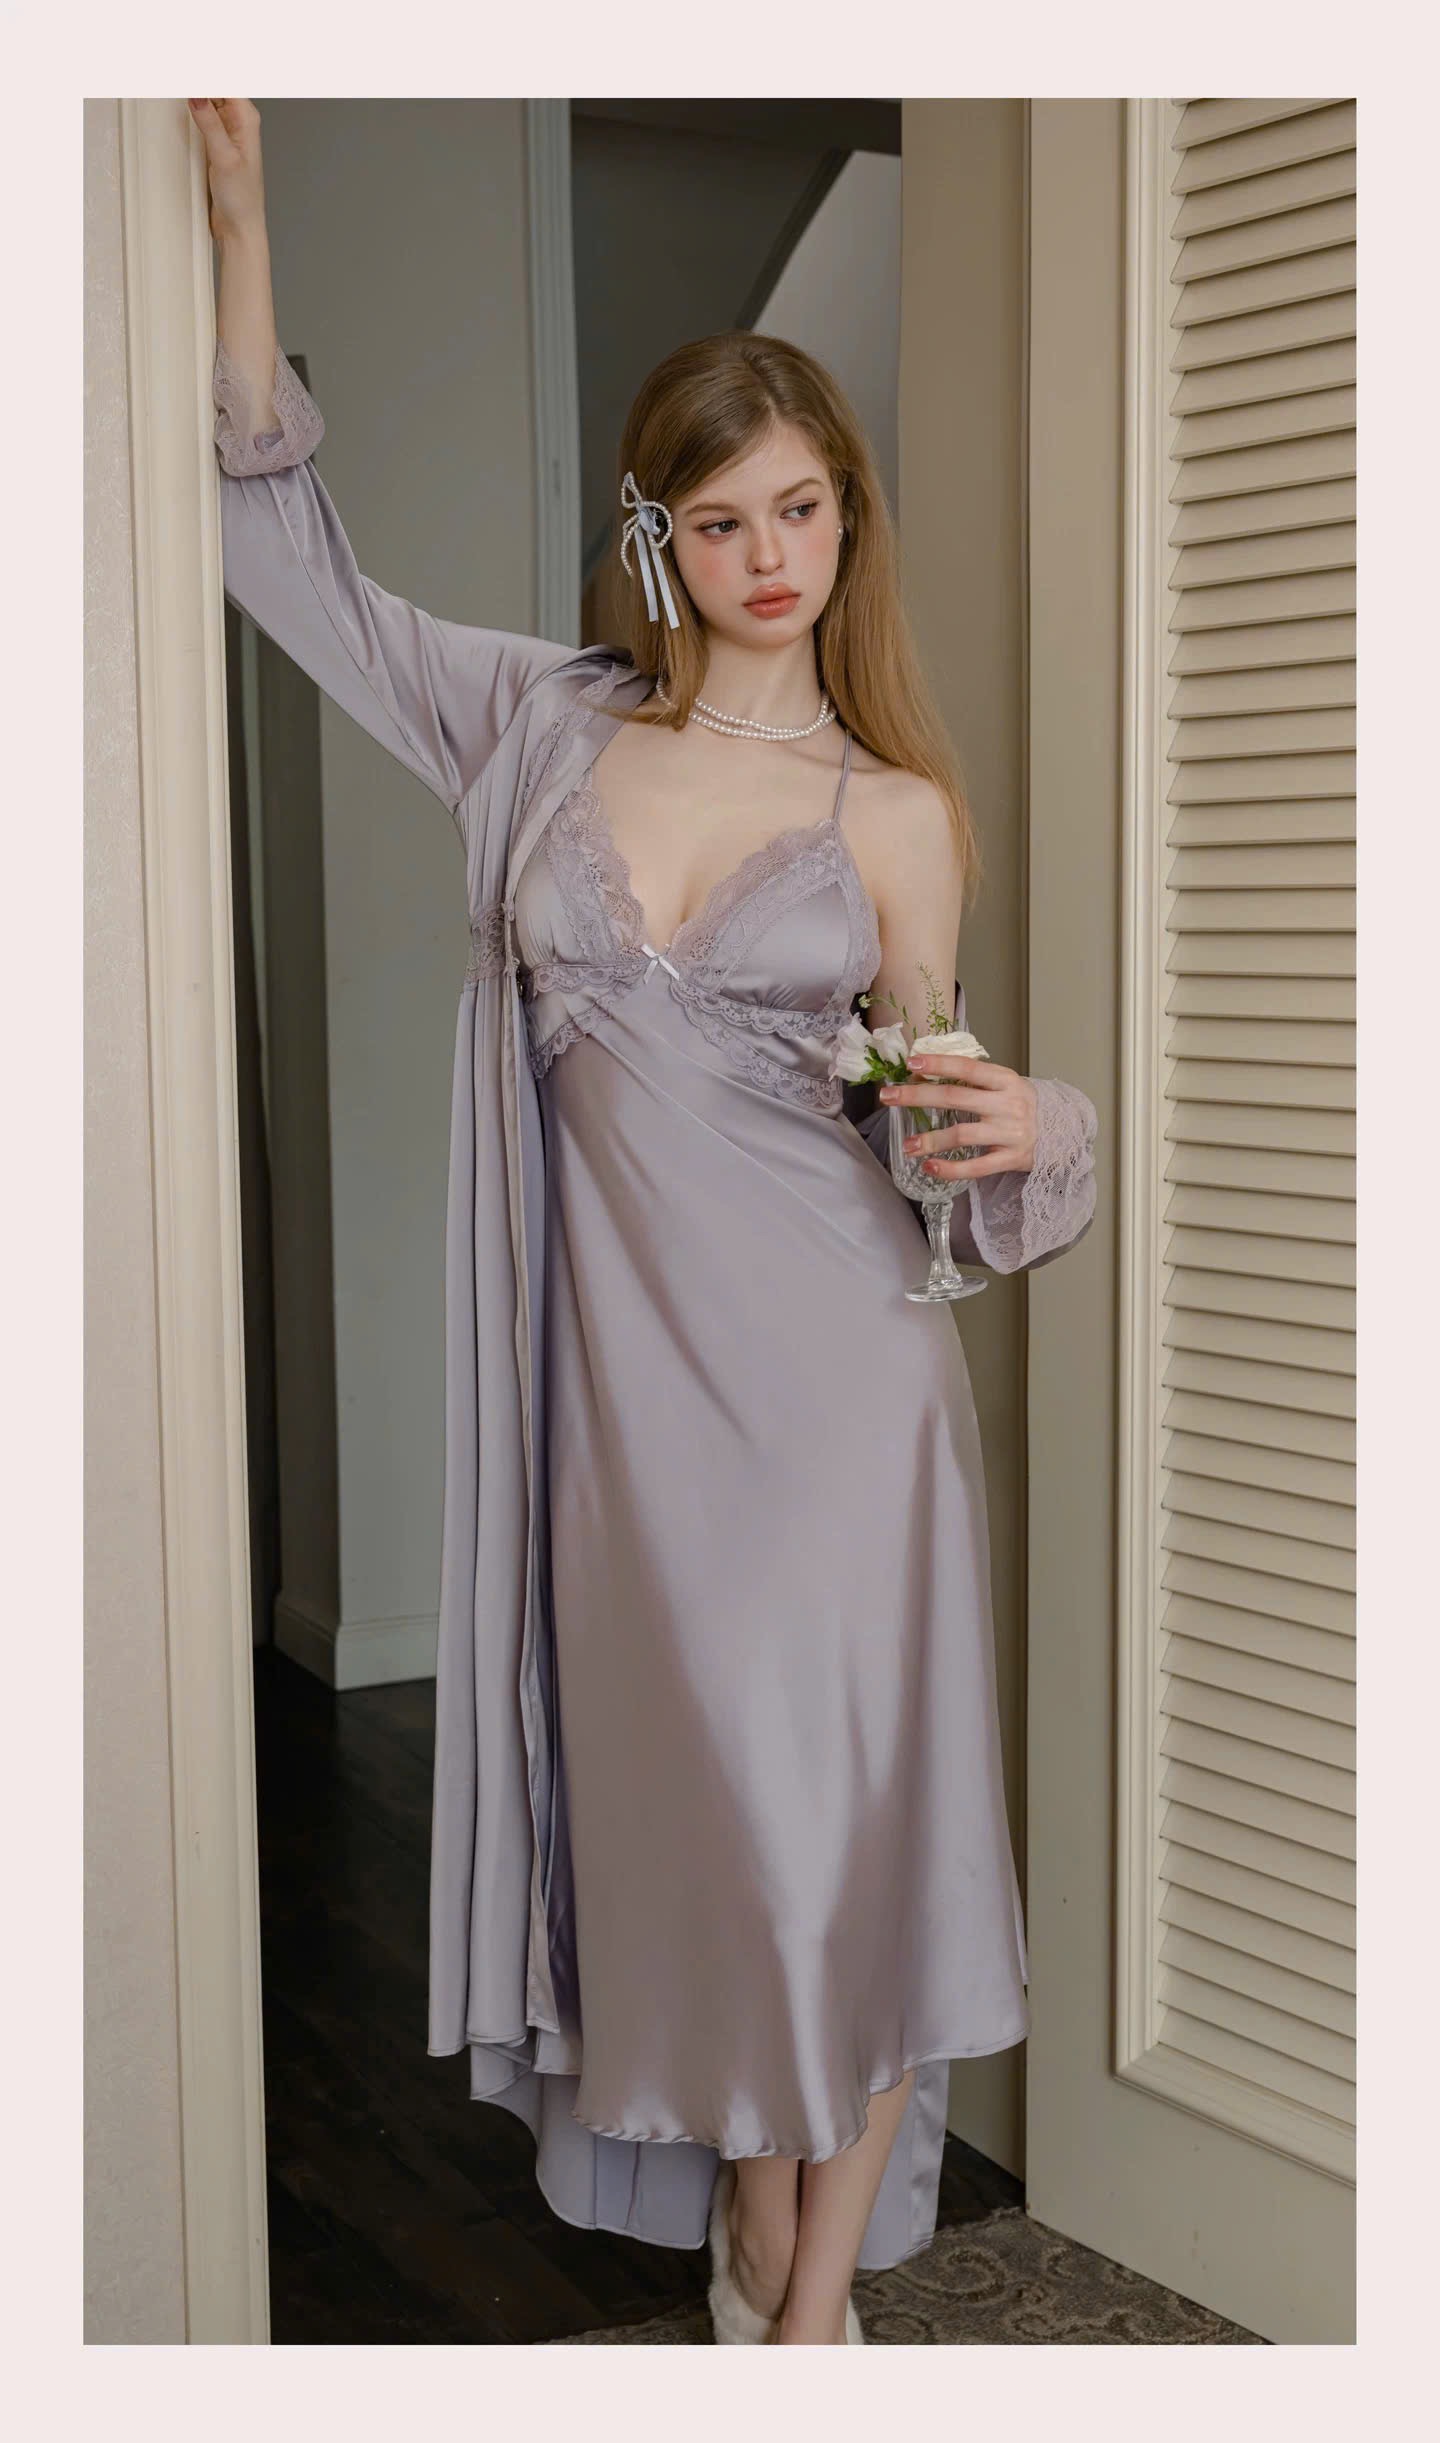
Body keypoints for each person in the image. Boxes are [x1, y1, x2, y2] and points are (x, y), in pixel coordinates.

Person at [189, 95, 1098, 2347]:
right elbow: (283, 558)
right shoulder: (538, 728)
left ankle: (805, 2322)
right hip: (630, 1436)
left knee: (849, 1849)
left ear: (845, 519)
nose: (769, 554)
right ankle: (766, 2237)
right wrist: (237, 222)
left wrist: (1035, 1123)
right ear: (655, 533)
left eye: (803, 507)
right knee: (724, 1852)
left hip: (846, 1408)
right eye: (721, 517)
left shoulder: (895, 812)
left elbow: (932, 1121)